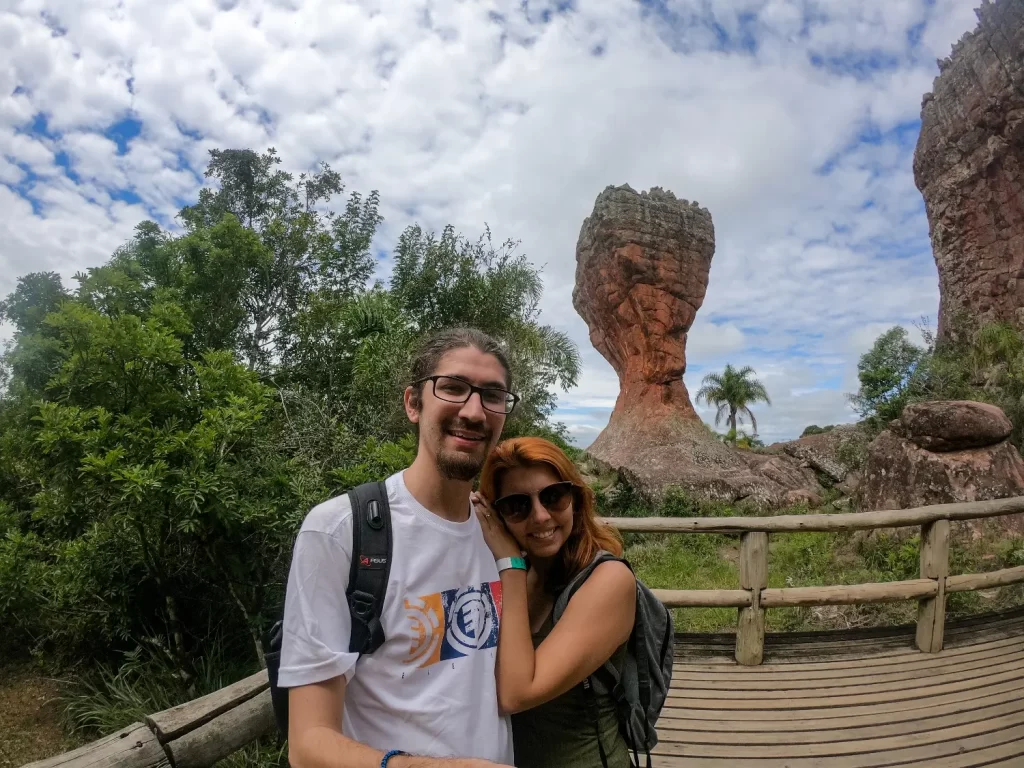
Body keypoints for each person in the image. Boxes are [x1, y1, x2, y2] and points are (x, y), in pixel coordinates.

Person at [279, 328, 519, 768]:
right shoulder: (339, 530)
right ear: (413, 403)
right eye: (452, 387)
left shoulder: (503, 531)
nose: (474, 411)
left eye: (493, 395)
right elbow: (308, 742)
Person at [473, 437, 638, 768]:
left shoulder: (608, 582)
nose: (540, 516)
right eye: (517, 505)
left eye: (553, 497)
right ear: (497, 515)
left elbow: (516, 694)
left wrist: (511, 564)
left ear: (575, 499)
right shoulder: (525, 572)